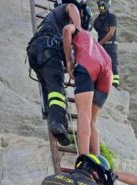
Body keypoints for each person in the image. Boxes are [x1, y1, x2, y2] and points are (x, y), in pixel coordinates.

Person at [27, 0, 90, 147]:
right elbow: (74, 26)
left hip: (35, 50)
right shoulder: (71, 7)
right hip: (48, 49)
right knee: (56, 90)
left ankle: (50, 114)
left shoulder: (54, 17)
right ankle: (58, 124)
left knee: (48, 87)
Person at [62, 23, 113, 155]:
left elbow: (67, 30)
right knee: (91, 121)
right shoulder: (90, 37)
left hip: (87, 63)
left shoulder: (75, 28)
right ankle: (97, 159)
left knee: (83, 114)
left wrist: (68, 62)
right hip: (107, 68)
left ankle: (84, 157)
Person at [94, 0, 120, 87]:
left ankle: (115, 85)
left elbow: (111, 33)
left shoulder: (112, 17)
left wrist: (99, 44)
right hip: (101, 46)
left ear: (107, 6)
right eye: (100, 5)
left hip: (110, 45)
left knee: (113, 64)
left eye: (103, 5)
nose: (101, 8)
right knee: (101, 65)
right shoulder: (96, 20)